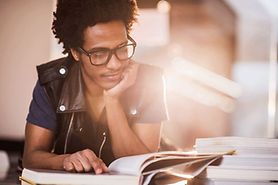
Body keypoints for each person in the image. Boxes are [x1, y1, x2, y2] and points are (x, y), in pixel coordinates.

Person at [22, 0, 168, 174]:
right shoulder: (53, 83)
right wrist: (65, 160)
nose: (114, 64)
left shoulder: (149, 81)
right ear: (76, 52)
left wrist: (113, 100)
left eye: (122, 49)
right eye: (99, 54)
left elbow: (139, 165)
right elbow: (30, 158)